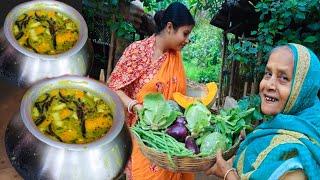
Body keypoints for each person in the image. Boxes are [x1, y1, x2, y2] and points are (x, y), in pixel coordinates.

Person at [205, 43, 320, 180]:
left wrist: (228, 174)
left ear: (303, 89)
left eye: (283, 78)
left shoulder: (296, 159)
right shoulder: (280, 125)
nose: (269, 85)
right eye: (268, 73)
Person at [107, 2, 195, 180]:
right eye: (185, 33)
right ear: (169, 27)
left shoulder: (175, 58)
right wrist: (135, 106)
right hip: (143, 139)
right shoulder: (138, 51)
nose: (187, 40)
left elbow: (178, 100)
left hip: (169, 144)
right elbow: (113, 87)